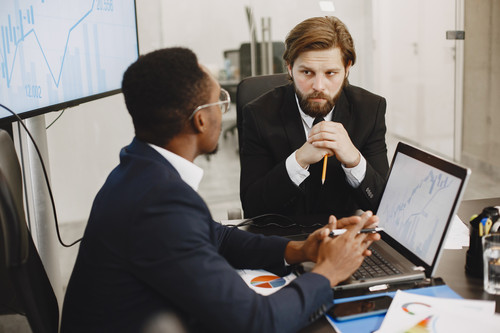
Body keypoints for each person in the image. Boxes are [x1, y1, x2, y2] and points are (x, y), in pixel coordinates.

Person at [60, 47, 380, 333]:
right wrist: (327, 272)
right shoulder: (159, 203)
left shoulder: (139, 170)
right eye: (220, 101)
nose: (223, 111)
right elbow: (259, 322)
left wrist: (299, 250)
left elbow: (217, 236)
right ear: (200, 120)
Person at [240, 16, 389, 219]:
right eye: (307, 72)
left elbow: (384, 205)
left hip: (345, 238)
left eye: (330, 73)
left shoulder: (370, 110)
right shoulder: (259, 114)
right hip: (284, 241)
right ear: (290, 68)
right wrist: (298, 160)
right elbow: (252, 207)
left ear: (347, 69)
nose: (319, 86)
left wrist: (354, 160)